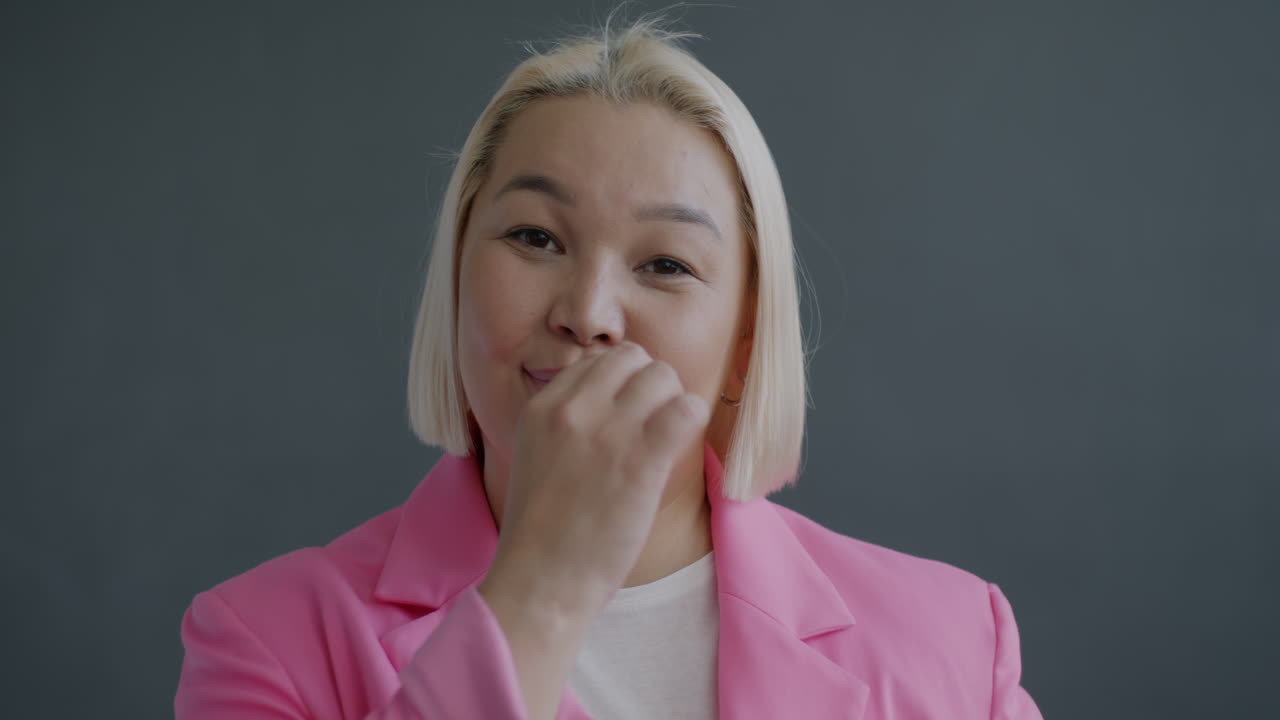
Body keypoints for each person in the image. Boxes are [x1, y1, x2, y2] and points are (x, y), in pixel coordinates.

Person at [175, 14, 1044, 720]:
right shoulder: (266, 642)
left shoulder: (957, 642)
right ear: (456, 282)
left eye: (665, 264)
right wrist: (542, 585)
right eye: (534, 237)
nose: (588, 313)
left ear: (745, 343)